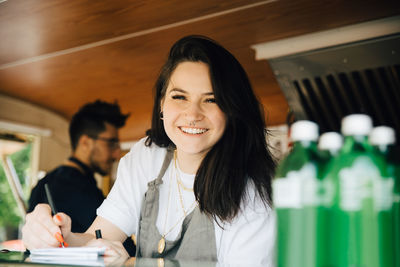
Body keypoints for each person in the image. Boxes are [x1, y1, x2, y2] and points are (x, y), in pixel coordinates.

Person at [22, 36, 276, 265]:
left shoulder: (255, 191)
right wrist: (57, 236)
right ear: (162, 105)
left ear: (232, 110)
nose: (193, 114)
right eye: (179, 97)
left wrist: (131, 264)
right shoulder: (146, 157)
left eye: (211, 100)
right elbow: (96, 240)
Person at [27, 100, 135, 254]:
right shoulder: (82, 189)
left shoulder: (43, 183)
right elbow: (122, 247)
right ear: (85, 142)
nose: (117, 154)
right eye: (111, 143)